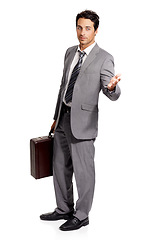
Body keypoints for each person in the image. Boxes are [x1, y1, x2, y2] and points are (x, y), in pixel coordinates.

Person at [40, 10, 121, 231]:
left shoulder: (104, 57)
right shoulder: (69, 53)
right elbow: (63, 86)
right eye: (79, 27)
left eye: (87, 28)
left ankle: (82, 214)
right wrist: (56, 117)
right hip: (63, 118)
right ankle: (63, 209)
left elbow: (110, 89)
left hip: (83, 124)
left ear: (96, 30)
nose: (82, 32)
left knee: (84, 171)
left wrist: (112, 88)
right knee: (59, 167)